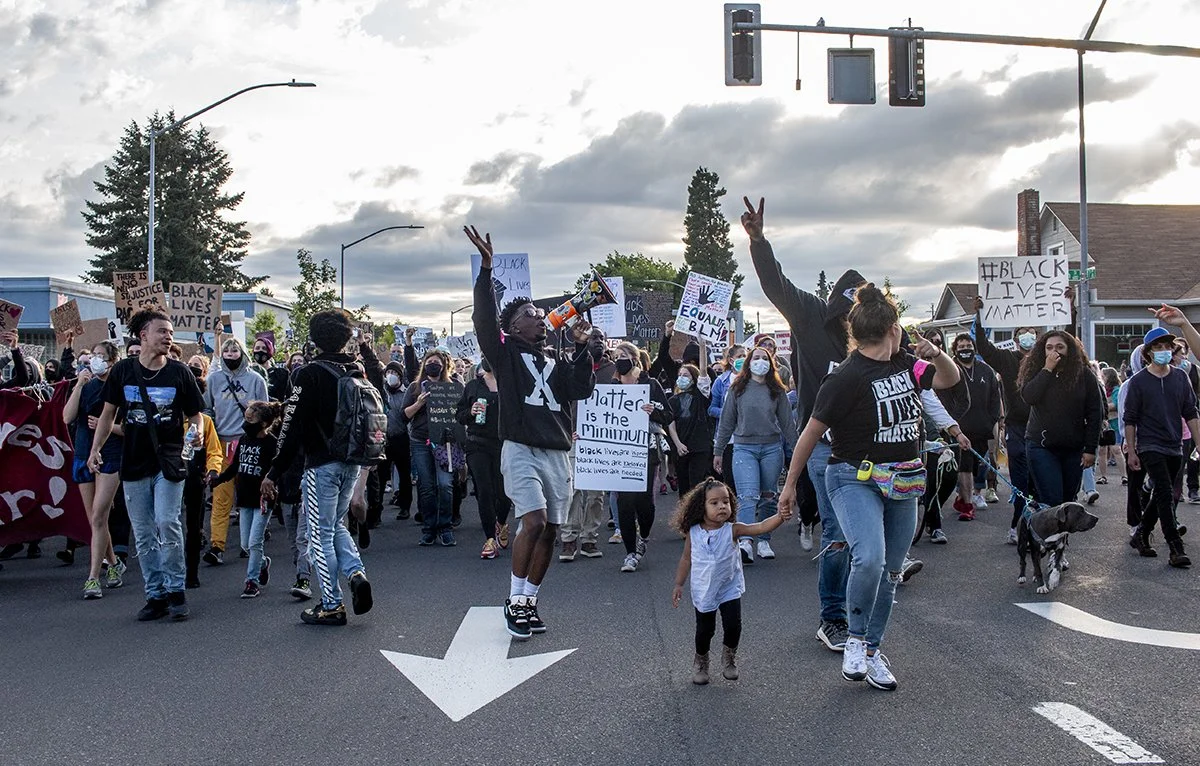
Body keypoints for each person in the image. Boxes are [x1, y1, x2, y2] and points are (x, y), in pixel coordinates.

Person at [778, 285, 960, 691]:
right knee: (871, 559)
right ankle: (856, 641)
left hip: (905, 478)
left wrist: (936, 352)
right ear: (893, 328)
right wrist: (790, 486)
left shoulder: (909, 365)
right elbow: (809, 433)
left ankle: (873, 652)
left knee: (892, 572)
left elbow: (948, 379)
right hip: (853, 477)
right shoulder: (845, 376)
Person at [740, 196, 867, 653]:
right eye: (851, 312)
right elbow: (778, 287)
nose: (857, 322)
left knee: (867, 539)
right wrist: (758, 242)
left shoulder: (878, 340)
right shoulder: (813, 316)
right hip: (824, 447)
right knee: (838, 532)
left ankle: (863, 609)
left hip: (872, 450)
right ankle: (832, 618)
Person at [466, 225, 596, 640]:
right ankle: (514, 598)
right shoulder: (503, 355)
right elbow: (484, 318)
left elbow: (581, 389)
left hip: (557, 451)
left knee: (553, 530)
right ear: (512, 327)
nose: (539, 321)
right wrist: (486, 271)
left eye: (541, 317)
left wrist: (580, 348)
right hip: (520, 447)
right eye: (529, 316)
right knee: (535, 521)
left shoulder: (556, 359)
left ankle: (528, 601)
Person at [261, 309, 375, 627]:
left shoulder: (307, 374)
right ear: (345, 338)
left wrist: (274, 470)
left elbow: (291, 426)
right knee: (335, 524)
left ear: (313, 338)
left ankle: (330, 603)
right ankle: (354, 572)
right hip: (350, 460)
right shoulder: (355, 370)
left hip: (320, 464)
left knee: (318, 533)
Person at [89, 308, 204, 622]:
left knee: (167, 522)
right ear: (143, 336)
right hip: (134, 463)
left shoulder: (180, 372)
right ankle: (155, 595)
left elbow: (196, 416)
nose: (168, 337)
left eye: (170, 332)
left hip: (168, 462)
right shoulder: (123, 371)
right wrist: (95, 449)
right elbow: (108, 415)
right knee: (142, 533)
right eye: (162, 331)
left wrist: (196, 435)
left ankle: (176, 590)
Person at [671, 477, 791, 685]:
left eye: (725, 502)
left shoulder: (733, 529)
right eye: (714, 503)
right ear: (702, 506)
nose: (721, 507)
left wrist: (780, 516)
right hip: (704, 589)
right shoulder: (694, 532)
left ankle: (729, 658)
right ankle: (701, 660)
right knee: (705, 630)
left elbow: (761, 527)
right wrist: (679, 584)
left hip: (729, 587)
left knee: (733, 626)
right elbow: (686, 558)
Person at [1125, 326, 1199, 567]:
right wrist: (1132, 450)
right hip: (1149, 444)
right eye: (1158, 348)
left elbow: (1191, 412)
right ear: (1148, 353)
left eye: (1167, 347)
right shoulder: (1138, 381)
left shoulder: (1180, 377)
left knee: (1161, 494)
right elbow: (1130, 419)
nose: (1164, 351)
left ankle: (1140, 534)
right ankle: (1175, 547)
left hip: (1175, 444)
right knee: (1166, 493)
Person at [713, 345, 794, 564]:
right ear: (749, 363)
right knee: (747, 495)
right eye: (756, 357)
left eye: (764, 358)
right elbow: (727, 422)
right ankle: (746, 542)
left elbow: (788, 424)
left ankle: (764, 540)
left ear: (771, 363)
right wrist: (718, 451)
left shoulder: (776, 390)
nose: (760, 361)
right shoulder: (737, 389)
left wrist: (797, 451)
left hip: (771, 448)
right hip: (743, 448)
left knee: (768, 494)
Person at [64, 340, 126, 598]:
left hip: (109, 455)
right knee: (94, 520)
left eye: (101, 356)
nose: (96, 360)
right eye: (94, 356)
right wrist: (78, 384)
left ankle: (93, 577)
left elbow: (127, 430)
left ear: (112, 361)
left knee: (100, 515)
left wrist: (106, 425)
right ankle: (113, 564)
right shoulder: (87, 387)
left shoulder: (120, 389)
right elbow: (67, 417)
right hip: (82, 452)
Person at [202, 337, 268, 565]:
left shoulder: (256, 379)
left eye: (234, 349)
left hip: (248, 443)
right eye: (227, 349)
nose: (230, 352)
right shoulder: (214, 379)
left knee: (250, 496)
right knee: (221, 494)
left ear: (242, 352)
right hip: (222, 443)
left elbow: (265, 412)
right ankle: (217, 545)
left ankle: (251, 542)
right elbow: (206, 408)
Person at [1018, 330, 1103, 507]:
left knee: (1068, 501)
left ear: (1069, 349)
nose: (1054, 351)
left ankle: (1060, 535)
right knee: (1052, 500)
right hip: (1041, 446)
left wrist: (1090, 448)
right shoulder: (1036, 370)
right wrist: (1047, 370)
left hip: (1073, 448)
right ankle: (1047, 533)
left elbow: (1095, 413)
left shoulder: (1084, 374)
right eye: (1049, 347)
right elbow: (1029, 397)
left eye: (1059, 347)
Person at [610, 341, 672, 573]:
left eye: (623, 355)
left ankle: (643, 536)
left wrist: (653, 411)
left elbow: (668, 414)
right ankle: (630, 553)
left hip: (646, 449)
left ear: (634, 358)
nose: (619, 359)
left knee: (644, 501)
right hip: (620, 451)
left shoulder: (651, 384)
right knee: (624, 501)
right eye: (615, 356)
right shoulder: (612, 385)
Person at [213, 401, 282, 598]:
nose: (246, 423)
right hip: (244, 498)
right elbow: (235, 466)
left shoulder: (271, 443)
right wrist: (219, 480)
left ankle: (251, 581)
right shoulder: (244, 440)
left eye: (250, 420)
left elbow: (278, 469)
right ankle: (262, 563)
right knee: (245, 544)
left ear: (263, 424)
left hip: (262, 499)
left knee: (254, 542)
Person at [559, 327, 615, 562]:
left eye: (601, 338)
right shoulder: (572, 367)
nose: (598, 342)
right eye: (594, 338)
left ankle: (589, 538)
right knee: (573, 491)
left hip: (601, 440)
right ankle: (569, 538)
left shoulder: (612, 371)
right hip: (575, 435)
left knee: (595, 494)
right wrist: (565, 429)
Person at [456, 356, 511, 559]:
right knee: (485, 491)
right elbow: (459, 414)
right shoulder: (472, 386)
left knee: (504, 492)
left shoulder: (510, 384)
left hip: (503, 444)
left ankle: (502, 522)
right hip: (477, 444)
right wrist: (470, 412)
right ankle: (489, 538)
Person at [403, 348, 458, 546]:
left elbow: (461, 415)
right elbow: (404, 415)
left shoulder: (453, 386)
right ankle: (429, 528)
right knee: (426, 486)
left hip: (445, 443)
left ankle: (445, 527)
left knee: (445, 484)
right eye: (429, 362)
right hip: (420, 442)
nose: (432, 365)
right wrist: (418, 404)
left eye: (436, 362)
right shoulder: (414, 388)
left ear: (443, 366)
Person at [947, 333, 1001, 520]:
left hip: (982, 428)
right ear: (955, 350)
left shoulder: (985, 370)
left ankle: (963, 497)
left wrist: (992, 420)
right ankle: (968, 505)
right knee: (965, 467)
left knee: (978, 466)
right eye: (961, 347)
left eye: (968, 345)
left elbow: (995, 397)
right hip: (959, 429)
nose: (965, 349)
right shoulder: (950, 369)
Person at [181, 368, 223, 589]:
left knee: (193, 526)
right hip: (169, 476)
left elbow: (214, 451)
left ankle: (191, 571)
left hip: (194, 476)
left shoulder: (204, 421)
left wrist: (213, 470)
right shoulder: (169, 417)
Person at [668, 364, 714, 497]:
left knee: (697, 485)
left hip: (699, 447)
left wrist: (702, 345)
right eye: (680, 375)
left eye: (686, 375)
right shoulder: (673, 400)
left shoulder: (701, 396)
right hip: (681, 448)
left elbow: (704, 374)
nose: (682, 378)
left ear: (693, 378)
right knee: (683, 486)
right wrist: (678, 444)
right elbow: (671, 424)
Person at [381, 360, 414, 520]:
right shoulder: (381, 392)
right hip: (382, 439)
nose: (391, 376)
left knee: (404, 474)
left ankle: (405, 506)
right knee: (380, 475)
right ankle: (376, 508)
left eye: (394, 373)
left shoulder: (406, 393)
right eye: (388, 373)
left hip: (401, 438)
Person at [1097, 367, 1127, 488]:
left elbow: (1115, 405)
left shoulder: (1116, 390)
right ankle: (1103, 476)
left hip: (1114, 422)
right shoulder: (1102, 389)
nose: (1102, 378)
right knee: (1102, 450)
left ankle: (1124, 476)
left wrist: (1101, 407)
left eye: (1104, 376)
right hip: (1104, 422)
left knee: (1116, 449)